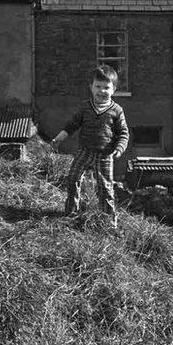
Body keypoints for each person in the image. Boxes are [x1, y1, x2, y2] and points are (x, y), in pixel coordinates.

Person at [51, 65, 130, 226]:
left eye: (106, 87)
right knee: (72, 178)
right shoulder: (85, 107)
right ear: (91, 87)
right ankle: (71, 212)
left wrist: (119, 149)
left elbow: (124, 133)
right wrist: (60, 137)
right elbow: (73, 124)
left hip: (105, 155)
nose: (102, 91)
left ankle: (109, 221)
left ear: (113, 89)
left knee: (105, 188)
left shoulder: (116, 110)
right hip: (84, 152)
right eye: (98, 87)